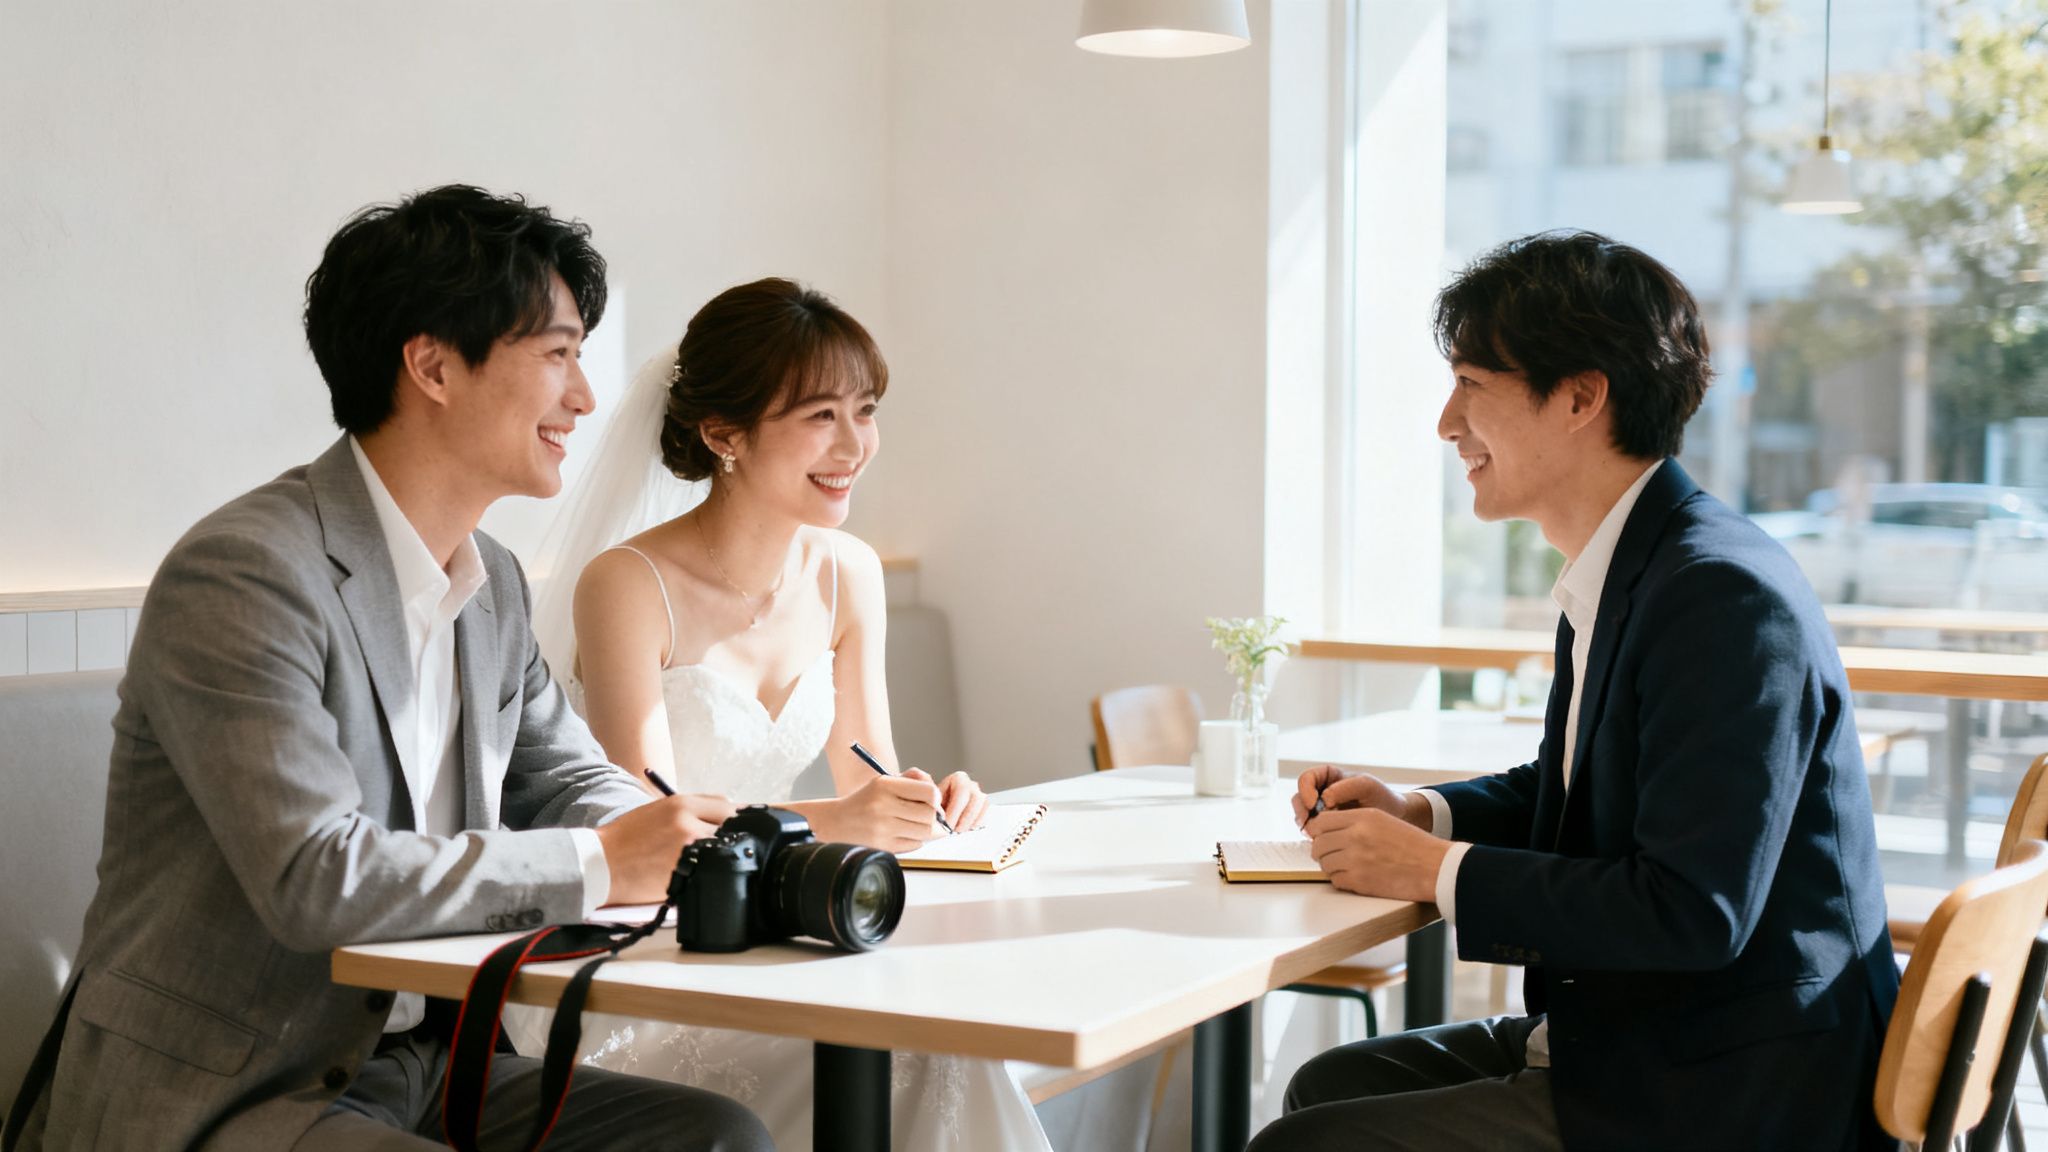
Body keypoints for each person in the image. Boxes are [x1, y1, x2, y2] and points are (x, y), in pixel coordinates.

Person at [2, 185, 769, 1152]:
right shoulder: (245, 572)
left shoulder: (488, 582)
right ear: (433, 365)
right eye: (559, 355)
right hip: (234, 1090)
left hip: (430, 1059)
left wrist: (691, 840)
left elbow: (563, 775)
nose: (583, 396)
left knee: (718, 1138)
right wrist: (604, 862)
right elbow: (315, 876)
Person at [1250, 231, 1898, 1152]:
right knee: (1330, 1083)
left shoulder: (1720, 595)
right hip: (1666, 1036)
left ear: (1582, 398)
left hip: (1737, 1089)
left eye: (1472, 384)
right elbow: (1570, 790)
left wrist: (1430, 874)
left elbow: (1692, 910)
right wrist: (1421, 814)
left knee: (1302, 1144)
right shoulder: (1634, 568)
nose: (1445, 422)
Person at [518, 277, 1046, 1152]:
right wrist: (840, 820)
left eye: (866, 410)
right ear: (724, 434)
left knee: (946, 1032)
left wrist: (925, 802)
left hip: (782, 933)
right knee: (921, 1051)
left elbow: (866, 772)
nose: (856, 445)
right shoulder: (627, 585)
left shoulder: (849, 571)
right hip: (646, 956)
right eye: (821, 416)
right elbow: (645, 829)